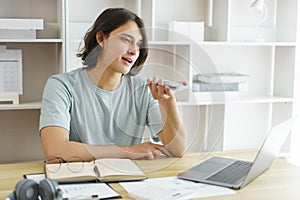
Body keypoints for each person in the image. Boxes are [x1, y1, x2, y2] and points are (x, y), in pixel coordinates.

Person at [39, 7, 187, 162]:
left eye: (138, 44)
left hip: (128, 178)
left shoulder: (142, 90)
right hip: (80, 179)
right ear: (101, 39)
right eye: (126, 40)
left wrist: (168, 103)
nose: (134, 51)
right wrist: (129, 151)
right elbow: (55, 150)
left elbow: (178, 149)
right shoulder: (61, 86)